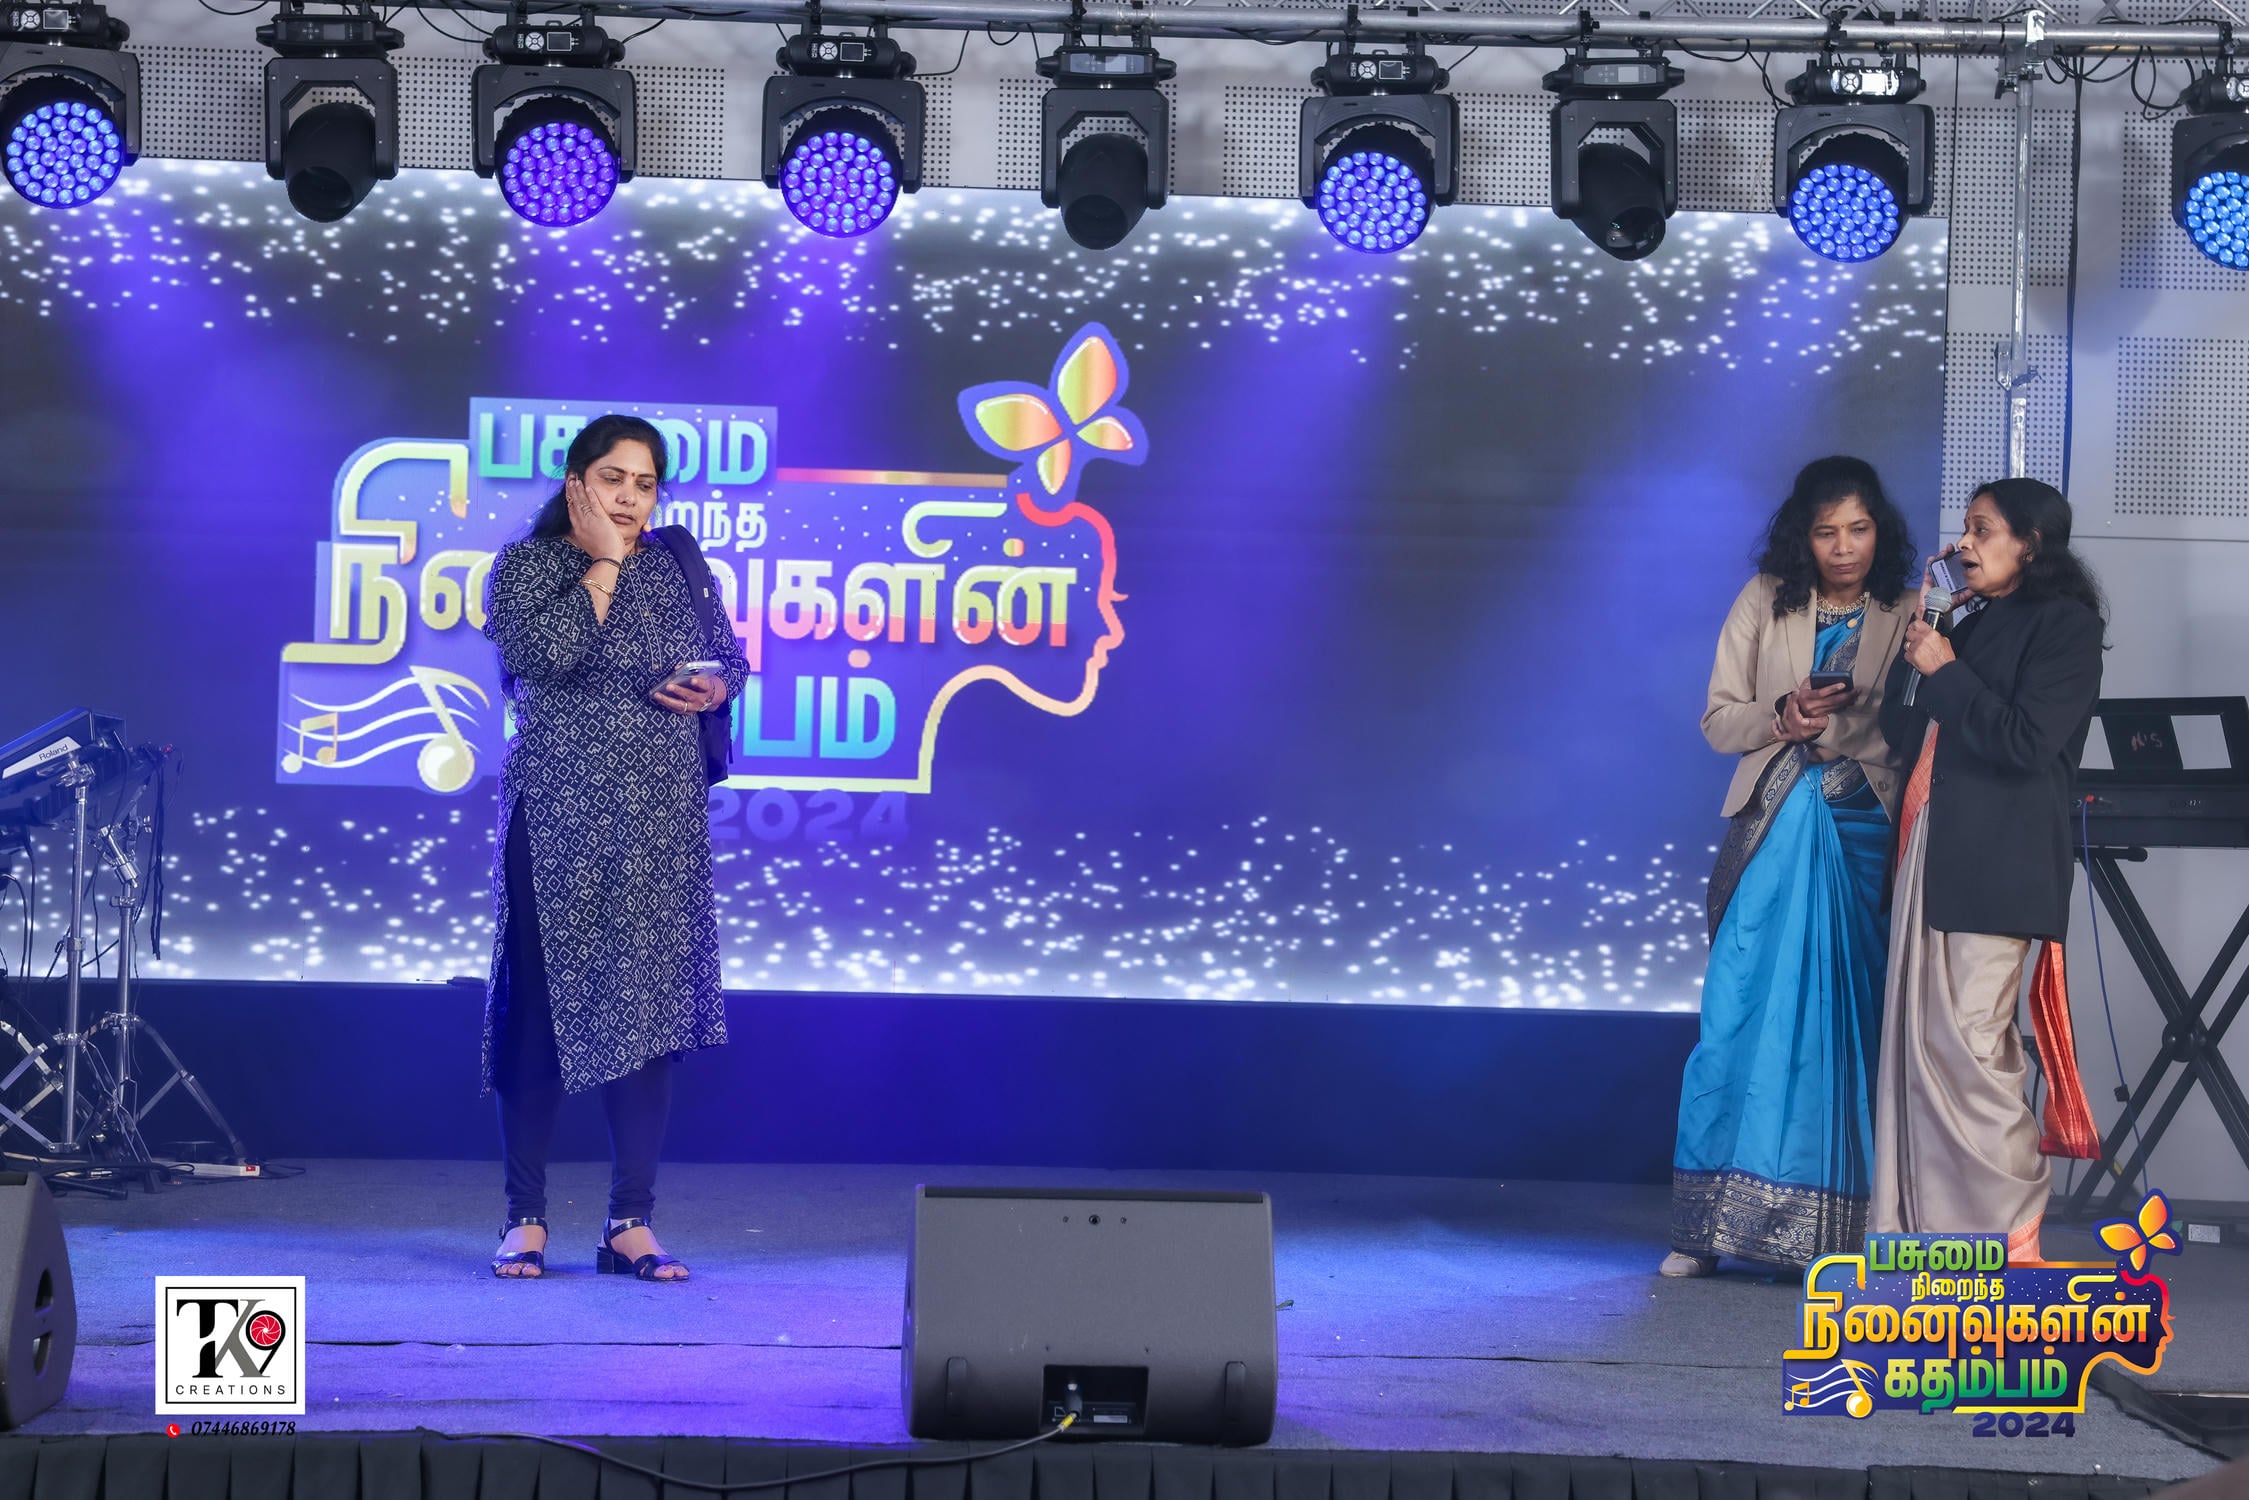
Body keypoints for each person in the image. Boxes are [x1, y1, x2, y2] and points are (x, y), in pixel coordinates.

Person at [480, 414, 747, 1281]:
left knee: (650, 1017)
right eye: (612, 479)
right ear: (576, 483)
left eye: (644, 483)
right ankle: (525, 1218)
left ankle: (630, 1222)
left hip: (658, 825)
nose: (630, 498)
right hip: (558, 818)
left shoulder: (676, 565)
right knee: (538, 1013)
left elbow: (731, 658)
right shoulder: (528, 567)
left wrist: (716, 685)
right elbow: (546, 655)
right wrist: (602, 561)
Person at [1663, 457, 1917, 1276]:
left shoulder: (1911, 610)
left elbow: (1921, 729)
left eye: (1857, 529)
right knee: (1739, 1011)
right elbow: (1717, 720)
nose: (1842, 547)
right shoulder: (1764, 599)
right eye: (1824, 531)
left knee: (1850, 1023)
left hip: (1862, 826)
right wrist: (1784, 714)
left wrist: (1845, 727)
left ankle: (1844, 1234)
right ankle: (1705, 1231)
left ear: (1878, 531)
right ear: (1800, 536)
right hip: (1771, 821)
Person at [1870, 478, 2105, 1264]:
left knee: (1971, 1049)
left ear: (2029, 544)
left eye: (1981, 530)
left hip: (1995, 860)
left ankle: (2006, 1234)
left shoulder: (2066, 626)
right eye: (1965, 530)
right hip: (1929, 848)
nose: (1963, 544)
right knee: (1921, 1050)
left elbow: (2023, 743)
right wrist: (1931, 624)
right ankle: (1928, 1238)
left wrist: (1945, 668)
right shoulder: (1965, 621)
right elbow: (1900, 726)